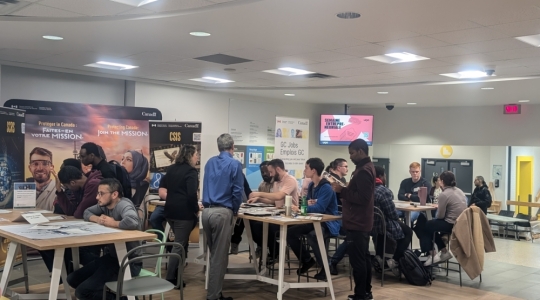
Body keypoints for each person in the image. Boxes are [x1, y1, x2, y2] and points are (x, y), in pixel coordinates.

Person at [67, 178, 142, 300]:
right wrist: (99, 219)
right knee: (73, 279)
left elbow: (132, 221)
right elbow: (86, 212)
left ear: (114, 194)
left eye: (101, 193)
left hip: (129, 262)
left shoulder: (123, 204)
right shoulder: (105, 206)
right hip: (112, 258)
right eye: (98, 193)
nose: (97, 197)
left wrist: (112, 223)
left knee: (82, 292)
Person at [331, 139, 375, 300]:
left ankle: (360, 294)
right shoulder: (366, 168)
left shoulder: (363, 171)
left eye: (352, 153)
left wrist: (342, 191)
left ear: (361, 151)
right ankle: (366, 292)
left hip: (358, 222)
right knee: (363, 258)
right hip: (360, 221)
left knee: (358, 261)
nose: (350, 157)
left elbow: (363, 198)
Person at [202, 133, 243, 300]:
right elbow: (237, 191)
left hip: (206, 212)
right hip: (222, 213)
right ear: (232, 146)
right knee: (219, 258)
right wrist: (234, 211)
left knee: (214, 256)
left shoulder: (210, 162)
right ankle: (213, 296)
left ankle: (215, 292)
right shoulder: (235, 164)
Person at [40, 166, 103, 273]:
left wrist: (76, 211)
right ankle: (66, 276)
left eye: (66, 187)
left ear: (73, 183)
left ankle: (69, 275)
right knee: (46, 245)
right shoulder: (80, 187)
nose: (67, 189)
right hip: (87, 227)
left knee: (60, 248)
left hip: (99, 230)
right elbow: (71, 212)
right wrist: (59, 191)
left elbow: (78, 213)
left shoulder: (94, 184)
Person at [287, 158, 340, 280]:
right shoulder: (311, 185)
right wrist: (308, 206)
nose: (304, 170)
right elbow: (311, 205)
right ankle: (307, 260)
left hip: (327, 223)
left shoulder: (326, 187)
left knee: (313, 236)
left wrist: (303, 208)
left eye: (306, 168)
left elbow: (319, 207)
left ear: (314, 170)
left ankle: (327, 267)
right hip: (313, 220)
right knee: (290, 233)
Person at [159, 145, 200, 286]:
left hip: (170, 211)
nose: (197, 157)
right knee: (179, 245)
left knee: (180, 243)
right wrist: (196, 209)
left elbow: (164, 187)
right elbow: (191, 194)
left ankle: (177, 274)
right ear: (189, 155)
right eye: (196, 154)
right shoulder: (191, 172)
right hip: (184, 213)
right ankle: (171, 277)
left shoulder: (171, 169)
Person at [247, 159, 299, 262]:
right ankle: (274, 249)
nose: (270, 174)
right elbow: (274, 201)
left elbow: (279, 196)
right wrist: (259, 199)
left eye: (271, 172)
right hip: (278, 215)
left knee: (264, 226)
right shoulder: (276, 181)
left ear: (278, 169)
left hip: (290, 217)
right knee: (253, 224)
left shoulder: (290, 180)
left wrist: (259, 194)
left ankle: (275, 251)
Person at [418, 171, 467, 266]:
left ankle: (433, 254)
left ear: (442, 182)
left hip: (450, 224)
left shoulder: (444, 194)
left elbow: (440, 216)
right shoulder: (459, 191)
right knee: (428, 225)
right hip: (460, 223)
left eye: (440, 180)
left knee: (424, 226)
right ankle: (443, 251)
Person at [372, 166, 413, 277]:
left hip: (370, 223)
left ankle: (379, 256)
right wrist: (397, 218)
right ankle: (394, 260)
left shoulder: (366, 188)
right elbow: (392, 214)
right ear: (381, 176)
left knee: (381, 232)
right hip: (383, 223)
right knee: (408, 232)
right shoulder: (384, 191)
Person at [230, 176, 252, 255]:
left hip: (241, 206)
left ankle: (235, 241)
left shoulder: (240, 175)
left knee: (242, 220)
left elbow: (247, 190)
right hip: (226, 206)